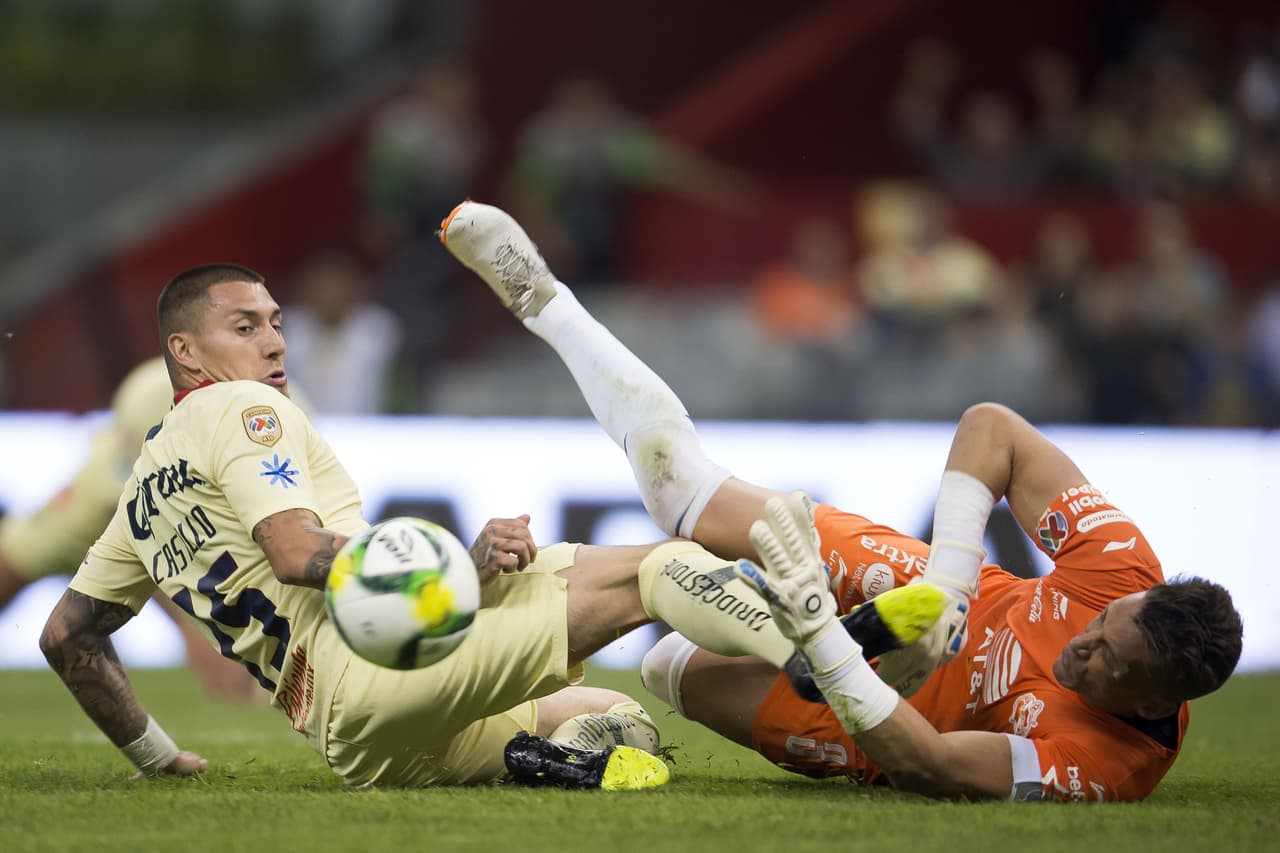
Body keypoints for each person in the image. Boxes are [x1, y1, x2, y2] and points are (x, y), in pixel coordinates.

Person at [439, 201, 1244, 801]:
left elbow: (932, 763)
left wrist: (829, 648)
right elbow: (992, 428)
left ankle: (801, 620)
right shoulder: (1121, 569)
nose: (1085, 642)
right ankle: (547, 302)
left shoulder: (1104, 766)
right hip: (921, 591)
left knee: (669, 667)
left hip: (886, 716)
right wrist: (950, 591)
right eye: (1103, 623)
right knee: (681, 494)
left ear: (1151, 698)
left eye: (1107, 659)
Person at [38, 263, 950, 790]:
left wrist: (156, 758)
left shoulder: (139, 498)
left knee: (618, 721)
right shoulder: (241, 406)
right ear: (185, 353)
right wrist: (455, 564)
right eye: (245, 327)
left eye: (276, 323)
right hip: (387, 665)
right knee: (662, 566)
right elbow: (297, 552)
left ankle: (535, 758)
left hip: (354, 742)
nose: (275, 343)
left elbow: (68, 636)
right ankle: (819, 655)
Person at [0, 356, 257, 701]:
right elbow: (132, 519)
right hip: (100, 507)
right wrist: (193, 625)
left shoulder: (282, 405)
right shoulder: (152, 393)